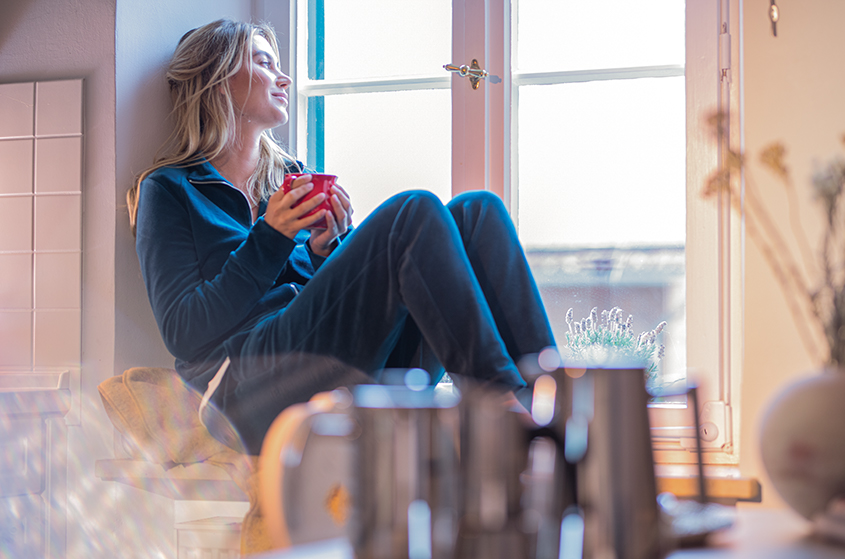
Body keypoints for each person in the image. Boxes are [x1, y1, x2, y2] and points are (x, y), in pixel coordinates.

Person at [128, 19, 557, 454]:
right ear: (218, 81)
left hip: (325, 365)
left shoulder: (290, 180)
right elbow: (182, 331)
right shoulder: (168, 190)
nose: (285, 77)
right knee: (412, 212)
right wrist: (271, 236)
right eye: (263, 62)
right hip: (245, 392)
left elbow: (323, 306)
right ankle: (500, 405)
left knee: (477, 212)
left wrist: (326, 249)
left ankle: (554, 402)